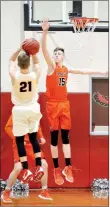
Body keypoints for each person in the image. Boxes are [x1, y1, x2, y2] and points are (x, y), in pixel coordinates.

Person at [41, 19, 108, 186]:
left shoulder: (66, 69)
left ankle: (68, 167)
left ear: (63, 56)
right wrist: (44, 33)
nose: (56, 55)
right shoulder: (51, 68)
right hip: (52, 105)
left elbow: (83, 71)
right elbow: (44, 51)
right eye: (54, 53)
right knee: (54, 138)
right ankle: (56, 169)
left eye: (58, 53)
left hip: (64, 104)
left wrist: (101, 71)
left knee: (66, 137)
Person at [9, 46, 44, 183]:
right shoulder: (34, 75)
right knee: (34, 137)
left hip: (19, 110)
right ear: (28, 64)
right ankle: (39, 166)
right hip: (33, 108)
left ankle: (25, 169)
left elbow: (11, 59)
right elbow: (37, 63)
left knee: (19, 140)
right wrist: (32, 51)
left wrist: (19, 48)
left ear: (18, 64)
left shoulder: (14, 75)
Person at [1, 115, 53, 203]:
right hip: (19, 143)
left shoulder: (33, 111)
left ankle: (44, 191)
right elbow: (8, 127)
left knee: (44, 164)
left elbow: (37, 125)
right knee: (18, 168)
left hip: (32, 144)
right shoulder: (16, 112)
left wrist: (41, 137)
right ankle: (6, 192)